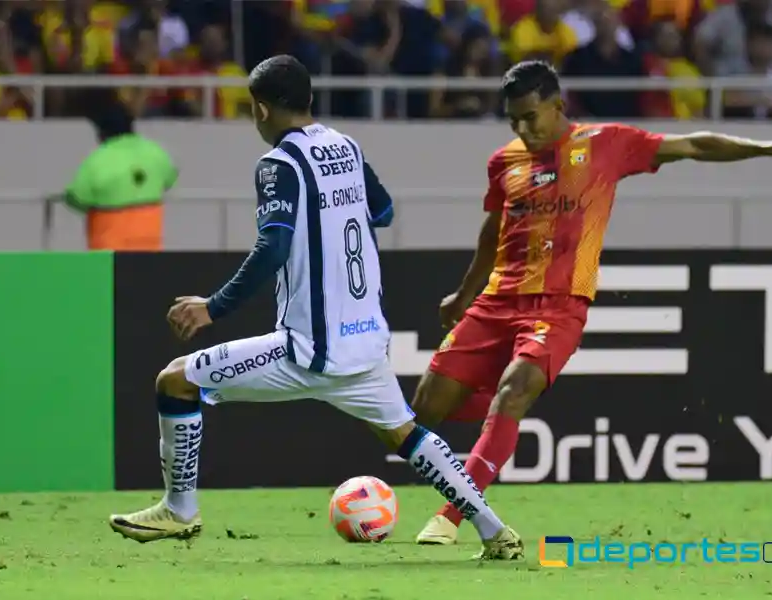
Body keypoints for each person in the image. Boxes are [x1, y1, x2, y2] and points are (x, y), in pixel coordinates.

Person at [107, 54, 523, 561]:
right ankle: (494, 530)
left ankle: (180, 510)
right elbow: (384, 211)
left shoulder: (278, 165)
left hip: (305, 348)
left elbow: (273, 247)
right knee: (407, 433)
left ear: (260, 110)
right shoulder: (344, 147)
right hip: (365, 340)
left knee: (175, 380)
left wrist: (212, 307)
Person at [412, 59, 772, 546]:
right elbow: (492, 232)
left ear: (557, 106)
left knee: (514, 391)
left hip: (559, 306)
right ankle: (487, 423)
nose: (522, 129)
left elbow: (693, 145)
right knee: (423, 413)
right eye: (513, 121)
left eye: (531, 117)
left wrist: (770, 148)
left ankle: (452, 516)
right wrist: (464, 294)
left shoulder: (605, 144)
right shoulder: (504, 162)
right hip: (496, 300)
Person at [59, 88, 176, 251]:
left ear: (101, 132)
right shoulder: (155, 152)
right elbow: (169, 179)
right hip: (150, 248)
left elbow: (77, 196)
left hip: (110, 250)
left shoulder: (97, 160)